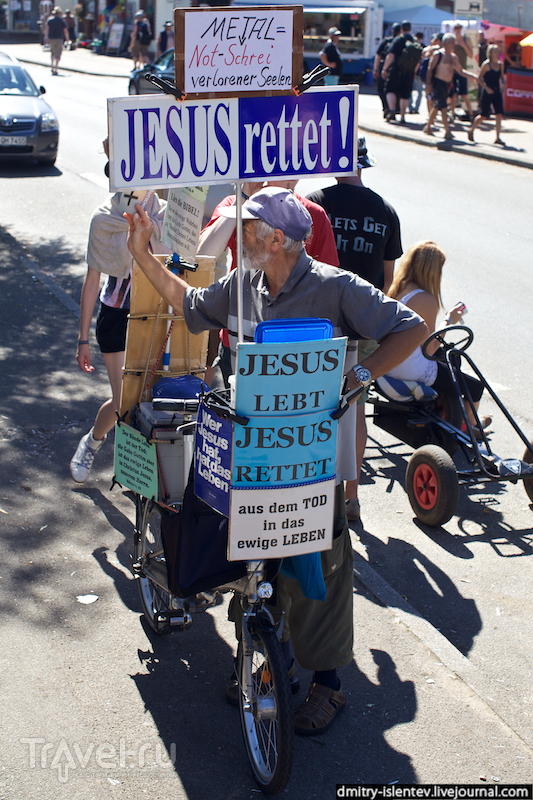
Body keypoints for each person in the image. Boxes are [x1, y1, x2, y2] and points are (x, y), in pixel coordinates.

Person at [125, 187, 428, 735]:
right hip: (252, 456)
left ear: (278, 241)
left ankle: (328, 686)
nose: (239, 239)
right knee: (256, 561)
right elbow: (188, 306)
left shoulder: (334, 288)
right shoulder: (244, 285)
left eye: (248, 231)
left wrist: (359, 377)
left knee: (321, 569)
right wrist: (144, 253)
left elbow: (412, 327)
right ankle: (265, 659)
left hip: (313, 460)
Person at [307, 137, 403, 521]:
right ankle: (351, 497)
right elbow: (387, 280)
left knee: (312, 406)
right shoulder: (386, 211)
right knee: (355, 408)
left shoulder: (316, 202)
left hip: (318, 324)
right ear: (364, 165)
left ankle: (314, 492)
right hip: (361, 326)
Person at [70, 144, 171, 484]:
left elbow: (184, 263)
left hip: (154, 315)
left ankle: (144, 476)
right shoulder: (103, 220)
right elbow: (92, 280)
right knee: (125, 400)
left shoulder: (168, 216)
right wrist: (82, 339)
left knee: (151, 399)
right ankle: (94, 442)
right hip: (116, 317)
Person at [197, 181, 339, 390]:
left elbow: (327, 286)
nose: (261, 178)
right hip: (238, 342)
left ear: (293, 178)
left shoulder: (312, 214)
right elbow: (203, 256)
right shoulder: (236, 204)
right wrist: (242, 201)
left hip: (291, 349)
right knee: (235, 418)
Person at [385, 241, 491, 436]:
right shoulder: (425, 299)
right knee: (475, 387)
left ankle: (457, 414)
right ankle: (469, 427)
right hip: (407, 366)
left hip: (389, 359)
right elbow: (431, 347)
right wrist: (449, 320)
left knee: (451, 361)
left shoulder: (399, 288)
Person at [424, 33, 478, 140]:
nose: (454, 44)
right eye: (451, 42)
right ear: (445, 43)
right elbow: (430, 69)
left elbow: (460, 71)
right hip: (437, 83)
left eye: (454, 42)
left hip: (446, 84)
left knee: (437, 106)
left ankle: (428, 127)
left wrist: (472, 75)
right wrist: (429, 84)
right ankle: (447, 131)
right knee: (443, 107)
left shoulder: (453, 57)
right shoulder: (438, 55)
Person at [382, 20, 421, 124]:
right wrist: (414, 72)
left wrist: (384, 68)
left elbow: (390, 55)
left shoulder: (398, 40)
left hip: (396, 70)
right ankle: (403, 116)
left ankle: (393, 109)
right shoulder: (414, 41)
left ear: (401, 29)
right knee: (405, 94)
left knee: (390, 90)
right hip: (409, 72)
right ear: (410, 29)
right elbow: (418, 60)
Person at [468, 44, 505, 146]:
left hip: (497, 92)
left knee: (499, 115)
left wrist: (504, 83)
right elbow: (479, 78)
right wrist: (486, 88)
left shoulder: (500, 65)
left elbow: (501, 77)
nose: (497, 54)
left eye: (498, 52)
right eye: (495, 52)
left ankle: (497, 137)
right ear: (490, 53)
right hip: (487, 92)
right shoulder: (486, 65)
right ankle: (471, 129)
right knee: (483, 115)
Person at [373, 24, 401, 118]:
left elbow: (378, 56)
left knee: (381, 89)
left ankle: (386, 107)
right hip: (398, 70)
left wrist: (376, 69)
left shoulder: (386, 41)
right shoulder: (402, 41)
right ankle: (393, 108)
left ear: (392, 31)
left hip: (384, 68)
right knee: (395, 90)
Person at [449, 22, 475, 121]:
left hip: (462, 70)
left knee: (464, 93)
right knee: (453, 94)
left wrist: (464, 46)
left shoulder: (466, 39)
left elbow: (471, 55)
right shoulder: (451, 40)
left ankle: (471, 114)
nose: (458, 29)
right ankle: (452, 114)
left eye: (460, 28)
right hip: (452, 70)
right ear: (453, 29)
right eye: (456, 28)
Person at [46, 7, 67, 75]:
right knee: (58, 53)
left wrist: (45, 37)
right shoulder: (61, 21)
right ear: (59, 13)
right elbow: (65, 30)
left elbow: (47, 29)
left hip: (51, 38)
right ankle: (56, 68)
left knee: (52, 53)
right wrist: (67, 39)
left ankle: (52, 67)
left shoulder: (50, 20)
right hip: (59, 39)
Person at [409, 31, 425, 113]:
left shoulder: (411, 47)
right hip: (420, 73)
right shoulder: (423, 48)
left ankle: (411, 107)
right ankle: (416, 108)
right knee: (419, 92)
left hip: (413, 72)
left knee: (410, 90)